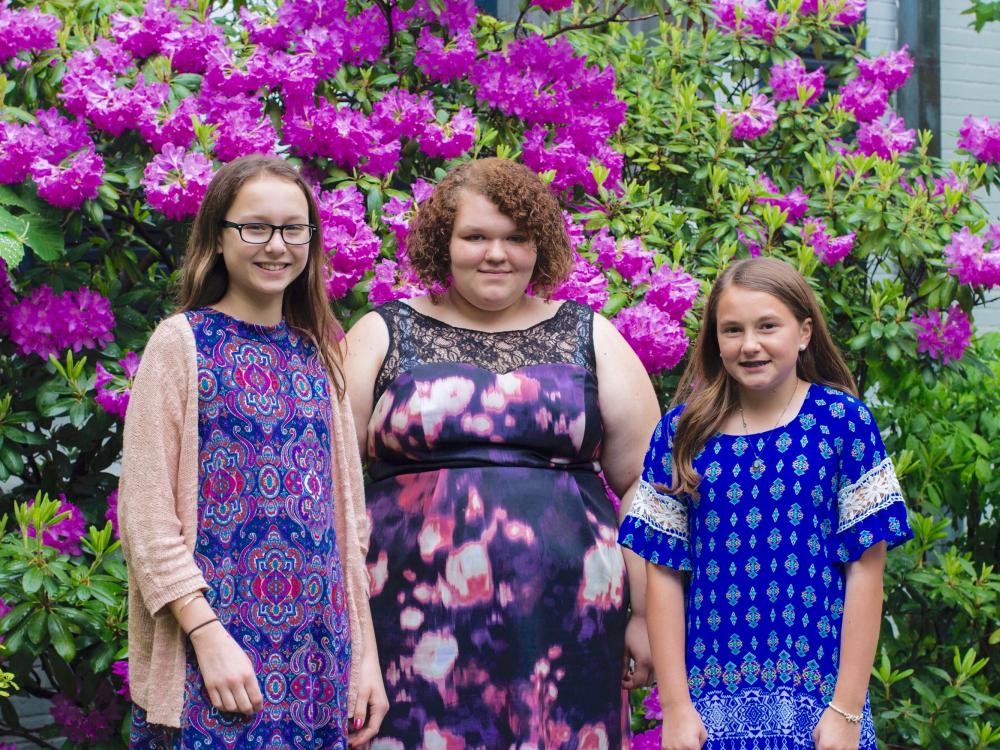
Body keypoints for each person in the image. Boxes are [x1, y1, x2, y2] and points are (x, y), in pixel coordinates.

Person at [344, 157, 660, 747]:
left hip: (570, 628)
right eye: (476, 237)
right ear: (445, 243)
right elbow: (332, 480)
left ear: (540, 248)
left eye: (517, 238)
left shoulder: (591, 335)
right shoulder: (383, 333)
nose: (497, 254)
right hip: (410, 627)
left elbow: (647, 485)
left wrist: (643, 616)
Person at [118, 155, 388, 749]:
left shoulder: (320, 353)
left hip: (318, 661)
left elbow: (348, 526)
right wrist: (206, 635)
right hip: (214, 662)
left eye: (294, 228)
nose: (277, 245)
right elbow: (144, 514)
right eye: (255, 227)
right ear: (218, 238)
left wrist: (362, 656)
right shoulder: (181, 344)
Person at [619, 257, 913, 750]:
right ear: (715, 339)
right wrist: (675, 707)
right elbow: (663, 572)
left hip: (819, 704)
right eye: (732, 330)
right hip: (709, 709)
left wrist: (845, 710)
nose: (749, 344)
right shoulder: (680, 433)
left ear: (803, 332)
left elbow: (867, 571)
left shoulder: (842, 423)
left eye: (767, 326)